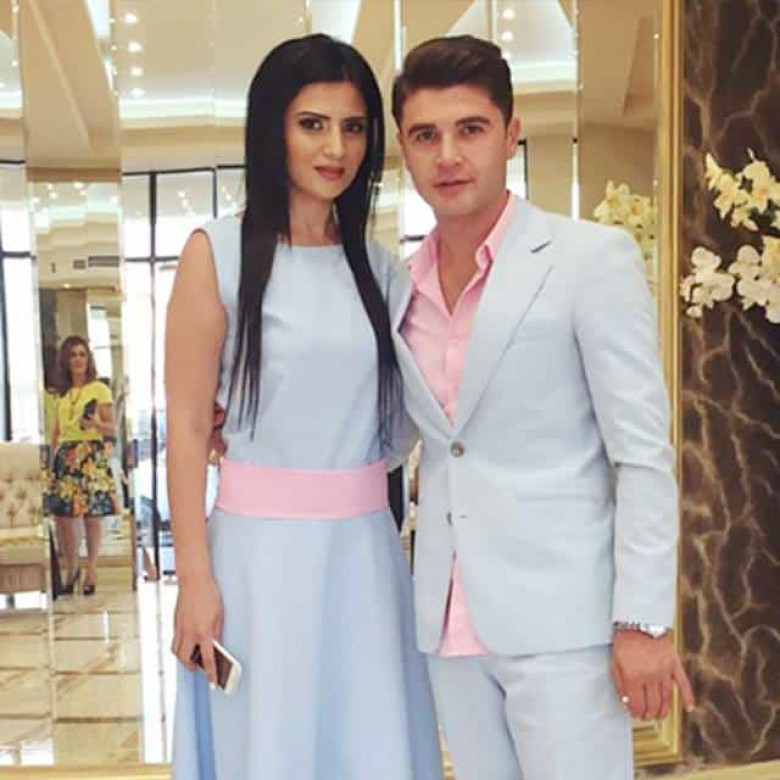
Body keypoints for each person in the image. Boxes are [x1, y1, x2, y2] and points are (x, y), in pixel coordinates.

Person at [389, 35, 696, 780]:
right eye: (425, 136)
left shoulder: (589, 260)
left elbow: (642, 455)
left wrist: (642, 621)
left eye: (470, 129)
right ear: (404, 149)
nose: (448, 156)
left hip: (565, 621)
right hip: (448, 619)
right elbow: (398, 436)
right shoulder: (401, 287)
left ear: (510, 134)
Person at [167, 34, 442, 780]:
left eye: (353, 127)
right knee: (269, 744)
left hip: (364, 555)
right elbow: (186, 429)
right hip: (255, 560)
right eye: (312, 124)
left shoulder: (381, 270)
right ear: (272, 129)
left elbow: (406, 421)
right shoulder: (216, 253)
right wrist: (195, 580)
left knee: (368, 742)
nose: (336, 148)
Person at [44, 335, 117, 596]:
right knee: (64, 516)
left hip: (90, 453)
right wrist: (51, 461)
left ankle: (91, 569)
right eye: (73, 355)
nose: (78, 359)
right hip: (66, 454)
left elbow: (112, 427)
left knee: (92, 514)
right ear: (66, 360)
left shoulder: (99, 389)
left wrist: (96, 423)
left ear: (89, 359)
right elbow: (55, 432)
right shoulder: (61, 394)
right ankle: (72, 570)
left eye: (82, 354)